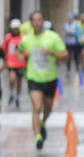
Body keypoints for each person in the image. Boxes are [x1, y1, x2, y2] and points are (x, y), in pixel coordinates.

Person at [18, 11, 68, 149]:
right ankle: (38, 137)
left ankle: (43, 122)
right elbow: (20, 50)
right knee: (36, 107)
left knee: (48, 108)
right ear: (30, 23)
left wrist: (52, 53)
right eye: (34, 20)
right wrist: (20, 56)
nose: (36, 23)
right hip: (33, 78)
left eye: (39, 20)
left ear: (43, 21)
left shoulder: (52, 37)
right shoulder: (26, 39)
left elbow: (65, 55)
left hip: (50, 79)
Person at [1, 19, 27, 109]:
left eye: (17, 28)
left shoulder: (23, 37)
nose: (15, 30)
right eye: (14, 28)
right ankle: (11, 93)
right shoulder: (8, 37)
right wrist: (5, 60)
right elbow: (3, 48)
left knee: (19, 81)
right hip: (11, 63)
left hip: (21, 64)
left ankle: (17, 96)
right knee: (12, 79)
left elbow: (26, 50)